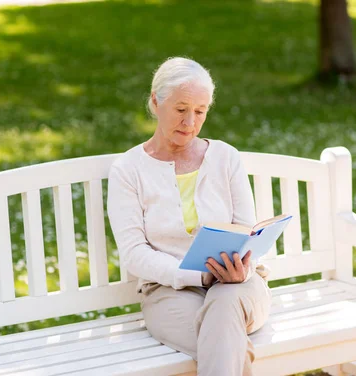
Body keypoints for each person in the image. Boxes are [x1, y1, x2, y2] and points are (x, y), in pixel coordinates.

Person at [107, 57, 272, 376]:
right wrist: (200, 277)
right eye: (181, 109)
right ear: (156, 102)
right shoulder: (128, 170)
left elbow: (247, 231)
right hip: (169, 293)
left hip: (240, 286)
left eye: (200, 111)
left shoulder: (225, 157)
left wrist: (241, 268)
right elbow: (134, 255)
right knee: (225, 341)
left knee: (225, 307)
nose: (190, 122)